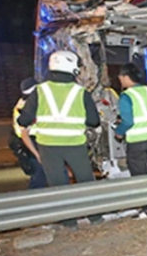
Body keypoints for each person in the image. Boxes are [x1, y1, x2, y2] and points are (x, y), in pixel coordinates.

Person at [17, 50, 99, 187]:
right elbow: (94, 121)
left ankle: (64, 207)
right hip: (75, 145)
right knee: (86, 182)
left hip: (48, 147)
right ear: (73, 69)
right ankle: (90, 207)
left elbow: (23, 120)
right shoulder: (80, 92)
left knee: (57, 185)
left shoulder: (40, 91)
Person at [115, 63, 147, 176]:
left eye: (120, 78)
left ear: (126, 77)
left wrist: (119, 132)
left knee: (139, 175)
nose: (120, 81)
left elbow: (128, 121)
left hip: (137, 141)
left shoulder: (126, 96)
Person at [9, 77, 47, 189]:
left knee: (42, 176)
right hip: (30, 145)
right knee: (39, 177)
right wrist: (37, 154)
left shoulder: (25, 103)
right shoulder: (24, 107)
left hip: (31, 143)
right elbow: (24, 134)